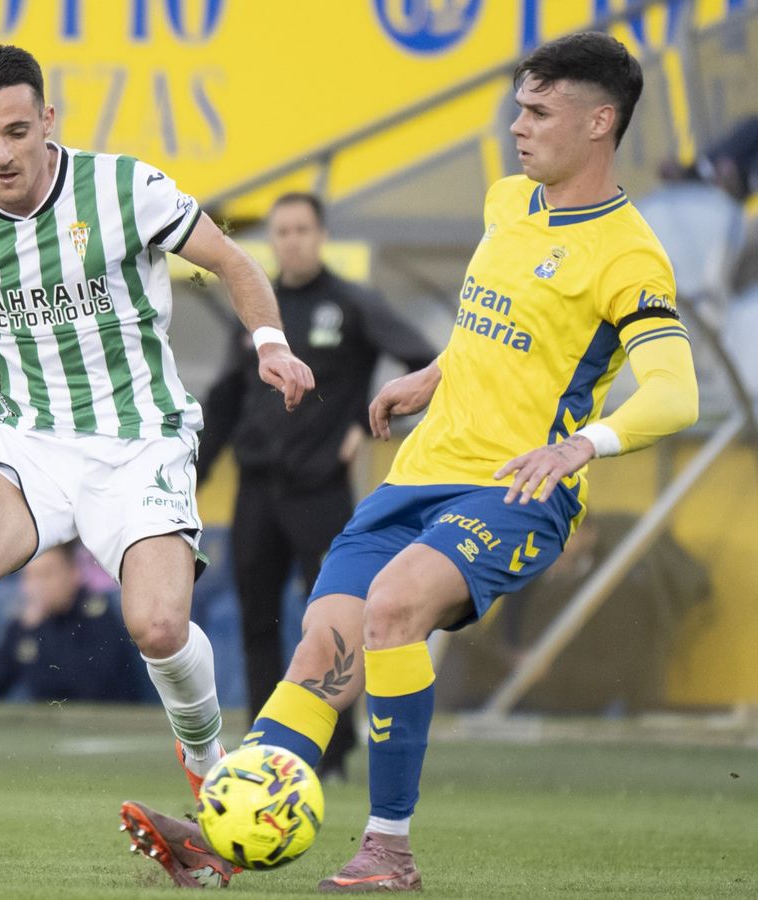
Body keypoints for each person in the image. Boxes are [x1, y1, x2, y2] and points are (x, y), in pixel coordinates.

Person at [123, 33, 700, 891]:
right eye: (517, 108)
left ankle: (389, 849)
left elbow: (676, 394)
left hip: (515, 489)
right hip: (418, 476)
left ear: (599, 122)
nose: (517, 126)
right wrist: (431, 375)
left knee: (392, 607)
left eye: (539, 112)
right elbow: (497, 330)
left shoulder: (629, 255)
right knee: (323, 645)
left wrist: (583, 444)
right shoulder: (509, 203)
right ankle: (222, 840)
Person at [0, 44, 314, 861]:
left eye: (17, 132)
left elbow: (230, 259)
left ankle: (210, 774)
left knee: (159, 627)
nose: (1, 153)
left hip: (140, 439)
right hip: (28, 438)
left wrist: (270, 344)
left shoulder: (125, 189)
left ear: (48, 121)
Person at [197, 192, 437, 780]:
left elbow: (422, 358)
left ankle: (331, 750)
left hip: (320, 491)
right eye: (282, 231)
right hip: (257, 489)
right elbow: (226, 398)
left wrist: (363, 421)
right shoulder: (258, 313)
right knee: (257, 621)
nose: (293, 240)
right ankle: (265, 747)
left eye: (302, 229)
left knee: (334, 623)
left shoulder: (351, 303)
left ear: (321, 235)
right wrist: (192, 475)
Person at [434, 511, 710, 714]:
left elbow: (624, 672)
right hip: (519, 695)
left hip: (579, 701)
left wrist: (552, 673)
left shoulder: (620, 591)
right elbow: (497, 641)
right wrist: (509, 659)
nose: (553, 546)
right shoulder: (525, 584)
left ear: (591, 534)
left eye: (566, 534)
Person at [0, 542, 144, 703]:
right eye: (30, 577)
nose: (37, 586)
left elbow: (88, 689)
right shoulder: (25, 624)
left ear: (74, 573)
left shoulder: (96, 615)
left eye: (46, 575)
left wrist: (37, 630)